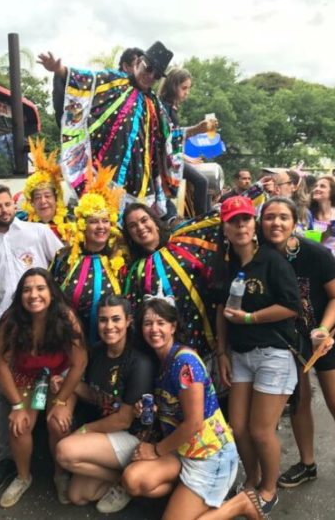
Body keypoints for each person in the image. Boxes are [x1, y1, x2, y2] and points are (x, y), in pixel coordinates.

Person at [258, 197, 335, 520]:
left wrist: (323, 329)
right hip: (287, 341)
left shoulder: (315, 253)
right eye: (269, 217)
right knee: (299, 402)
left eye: (283, 217)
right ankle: (307, 464)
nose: (276, 223)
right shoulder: (260, 255)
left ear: (295, 221)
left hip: (326, 338)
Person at [121, 298, 270, 520]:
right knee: (132, 480)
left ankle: (240, 504)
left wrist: (155, 450)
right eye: (147, 323)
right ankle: (187, 497)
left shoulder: (184, 364)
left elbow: (194, 423)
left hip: (210, 457)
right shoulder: (160, 360)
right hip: (182, 452)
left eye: (161, 323)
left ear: (173, 327)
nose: (154, 329)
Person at [212, 196, 300, 516]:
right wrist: (222, 351)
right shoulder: (226, 263)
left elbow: (292, 306)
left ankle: (269, 490)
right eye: (234, 221)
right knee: (237, 426)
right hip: (240, 356)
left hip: (273, 355)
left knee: (261, 430)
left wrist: (250, 319)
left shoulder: (272, 262)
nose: (241, 226)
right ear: (225, 227)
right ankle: (252, 479)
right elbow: (222, 310)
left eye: (246, 219)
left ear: (254, 224)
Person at [0, 185, 63, 495]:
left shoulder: (38, 232)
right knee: (4, 396)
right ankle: (7, 459)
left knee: (46, 383)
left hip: (44, 325)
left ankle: (53, 462)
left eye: (6, 204)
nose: (3, 210)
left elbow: (61, 266)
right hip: (5, 329)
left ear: (13, 205)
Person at [39, 41, 181, 217]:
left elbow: (170, 138)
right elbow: (87, 81)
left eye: (157, 75)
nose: (150, 76)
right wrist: (59, 70)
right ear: (137, 63)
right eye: (148, 68)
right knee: (101, 218)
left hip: (137, 177)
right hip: (104, 168)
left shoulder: (155, 105)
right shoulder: (114, 81)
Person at [0, 268, 88, 508]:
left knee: (58, 422)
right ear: (20, 295)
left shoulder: (66, 317)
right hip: (25, 376)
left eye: (40, 288)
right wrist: (16, 405)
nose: (33, 295)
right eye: (27, 289)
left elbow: (79, 362)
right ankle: (23, 477)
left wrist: (62, 400)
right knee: (19, 426)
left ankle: (60, 475)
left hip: (58, 376)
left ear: (52, 293)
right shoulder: (11, 320)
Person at [55, 295, 154, 513]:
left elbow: (123, 420)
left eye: (116, 319)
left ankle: (132, 477)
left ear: (128, 321)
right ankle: (124, 480)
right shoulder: (97, 351)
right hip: (106, 433)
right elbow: (96, 396)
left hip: (132, 437)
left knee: (64, 451)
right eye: (103, 320)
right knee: (78, 496)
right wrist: (67, 385)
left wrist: (83, 431)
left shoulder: (140, 362)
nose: (109, 326)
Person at [122, 203, 219, 360]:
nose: (140, 227)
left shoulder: (184, 240)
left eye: (144, 220)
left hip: (209, 344)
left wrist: (257, 189)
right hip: (168, 355)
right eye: (133, 226)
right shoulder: (134, 272)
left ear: (155, 222)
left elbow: (217, 220)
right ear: (130, 235)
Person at [51, 165, 127, 344]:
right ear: (83, 225)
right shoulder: (63, 258)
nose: (101, 227)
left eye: (105, 221)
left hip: (112, 348)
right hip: (70, 345)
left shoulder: (122, 259)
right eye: (94, 222)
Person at [158, 68, 216, 215]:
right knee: (202, 181)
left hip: (173, 157)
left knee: (206, 180)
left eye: (188, 89)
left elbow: (172, 139)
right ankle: (201, 220)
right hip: (163, 162)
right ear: (173, 86)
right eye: (184, 88)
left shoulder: (171, 108)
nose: (187, 92)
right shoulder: (162, 107)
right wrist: (197, 129)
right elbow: (166, 138)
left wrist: (186, 157)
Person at [17, 139, 70, 240]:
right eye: (37, 197)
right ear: (31, 202)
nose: (43, 201)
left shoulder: (71, 228)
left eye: (47, 196)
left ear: (56, 199)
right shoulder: (22, 227)